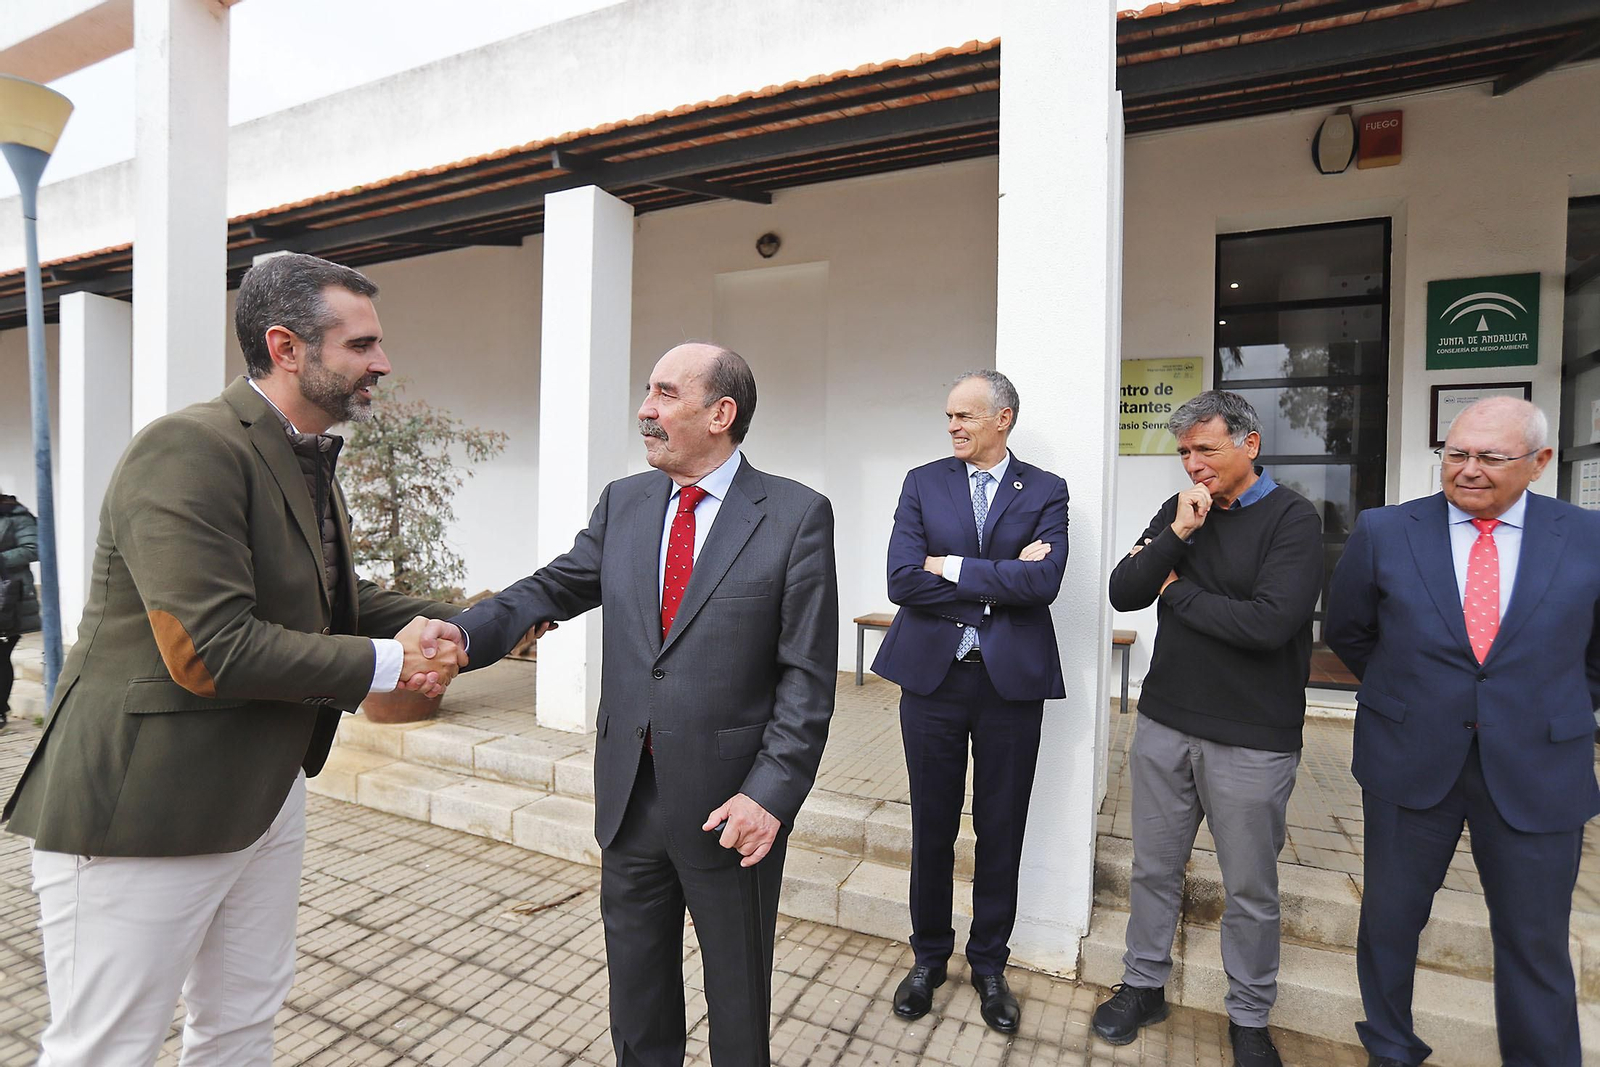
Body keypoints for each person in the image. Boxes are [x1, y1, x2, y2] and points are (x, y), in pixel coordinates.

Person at [2, 252, 466, 1067]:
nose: (382, 363)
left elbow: (326, 600)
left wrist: (473, 622)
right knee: (106, 1048)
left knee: (242, 1026)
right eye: (361, 344)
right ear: (286, 347)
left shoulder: (304, 454)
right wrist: (391, 663)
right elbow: (209, 646)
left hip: (264, 790)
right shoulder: (187, 448)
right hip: (142, 806)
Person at [412, 342, 838, 1066]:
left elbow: (805, 677)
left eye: (666, 393)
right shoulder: (626, 502)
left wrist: (770, 793)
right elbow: (552, 587)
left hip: (729, 809)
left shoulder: (795, 515)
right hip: (631, 797)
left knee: (737, 1001)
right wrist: (464, 630)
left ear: (720, 413)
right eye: (648, 390)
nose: (645, 408)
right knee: (636, 998)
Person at [1325, 396, 1599, 1067]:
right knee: (1390, 923)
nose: (1468, 469)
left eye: (1489, 456)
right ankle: (1390, 1048)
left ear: (1538, 462)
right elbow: (1348, 632)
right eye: (1456, 453)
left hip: (1538, 768)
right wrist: (1415, 696)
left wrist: (1544, 707)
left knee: (1535, 941)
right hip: (1410, 759)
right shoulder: (1385, 530)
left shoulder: (1588, 535)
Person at [1096, 390, 1322, 1067]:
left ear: (1249, 444)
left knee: (1250, 888)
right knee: (1154, 868)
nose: (1193, 464)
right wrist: (1177, 535)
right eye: (1185, 452)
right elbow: (1123, 588)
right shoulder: (1180, 513)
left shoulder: (1294, 519)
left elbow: (1267, 624)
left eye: (1206, 450)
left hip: (1253, 737)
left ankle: (1249, 1016)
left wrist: (1177, 590)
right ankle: (1143, 984)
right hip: (1166, 722)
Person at [871, 369, 1069, 1035]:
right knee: (932, 824)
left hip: (1009, 683)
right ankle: (929, 956)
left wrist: (949, 567)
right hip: (933, 680)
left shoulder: (1045, 489)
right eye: (949, 415)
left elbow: (1043, 582)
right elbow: (901, 577)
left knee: (1001, 824)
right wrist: (998, 582)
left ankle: (988, 963)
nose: (953, 426)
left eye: (965, 415)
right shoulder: (923, 482)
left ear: (1002, 418)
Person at [0, 488, 41, 727]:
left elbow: (34, 548)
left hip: (8, 599)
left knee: (1, 655)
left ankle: (0, 710)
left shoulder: (16, 515)